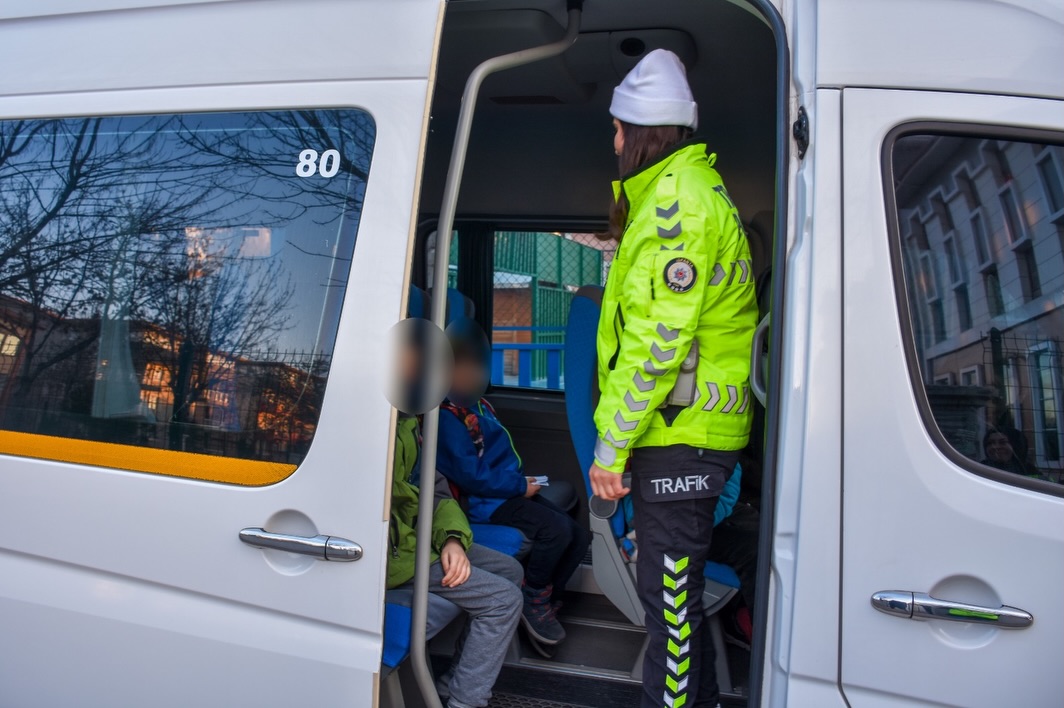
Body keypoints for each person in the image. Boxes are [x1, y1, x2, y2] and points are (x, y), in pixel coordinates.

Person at [587, 49, 759, 708]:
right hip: (688, 434)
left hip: (680, 436)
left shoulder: (674, 207)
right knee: (676, 607)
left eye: (618, 128)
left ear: (641, 132)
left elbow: (657, 343)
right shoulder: (686, 192)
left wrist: (611, 447)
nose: (613, 141)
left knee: (672, 614)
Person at [436, 335, 591, 650]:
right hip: (484, 504)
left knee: (578, 535)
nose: (476, 375)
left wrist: (520, 482)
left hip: (504, 490)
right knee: (556, 531)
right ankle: (533, 596)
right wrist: (520, 486)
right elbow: (471, 476)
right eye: (465, 369)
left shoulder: (478, 405)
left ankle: (548, 596)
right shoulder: (446, 417)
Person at [388, 411, 523, 708]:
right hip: (393, 554)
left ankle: (453, 683)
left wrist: (452, 539)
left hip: (415, 539)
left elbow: (434, 492)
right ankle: (466, 702)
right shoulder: (371, 426)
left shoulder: (407, 422)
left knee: (509, 569)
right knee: (504, 599)